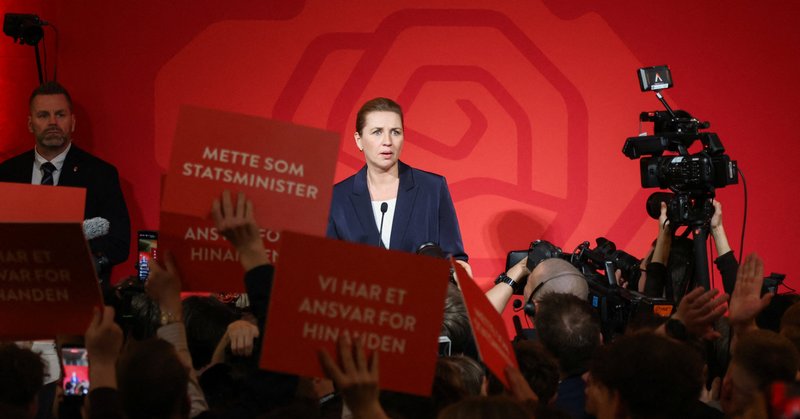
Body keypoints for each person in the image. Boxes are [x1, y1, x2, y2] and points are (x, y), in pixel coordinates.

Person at [0, 81, 131, 286]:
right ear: (30, 123)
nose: (52, 122)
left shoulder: (100, 174)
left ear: (72, 122)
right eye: (43, 115)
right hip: (16, 292)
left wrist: (89, 261)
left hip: (80, 293)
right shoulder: (6, 173)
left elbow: (119, 241)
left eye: (60, 115)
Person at [326, 97, 468, 263]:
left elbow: (455, 258)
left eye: (395, 132)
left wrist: (460, 268)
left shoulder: (432, 189)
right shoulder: (337, 198)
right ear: (359, 140)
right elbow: (327, 266)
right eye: (377, 132)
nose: (387, 142)